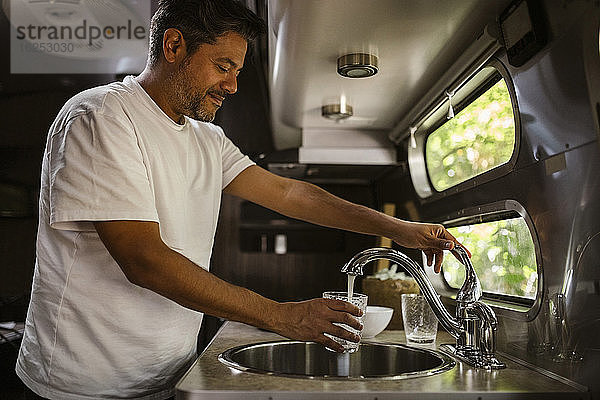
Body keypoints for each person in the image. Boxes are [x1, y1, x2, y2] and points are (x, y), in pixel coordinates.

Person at [16, 1, 467, 399]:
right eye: (223, 66)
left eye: (236, 71)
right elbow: (143, 259)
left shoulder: (207, 138)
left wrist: (399, 229)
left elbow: (290, 193)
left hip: (167, 374)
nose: (232, 86)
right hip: (83, 383)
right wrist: (281, 316)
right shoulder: (101, 116)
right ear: (173, 47)